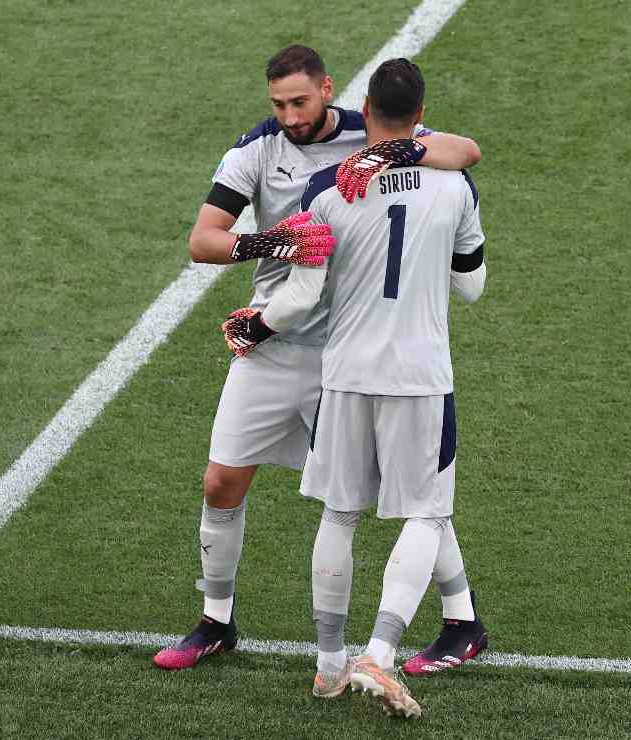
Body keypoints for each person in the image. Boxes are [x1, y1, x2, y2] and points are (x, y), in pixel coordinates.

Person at [154, 45, 481, 670]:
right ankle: (215, 621)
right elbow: (202, 240)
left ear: (329, 91)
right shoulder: (257, 149)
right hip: (275, 346)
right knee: (221, 480)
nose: (289, 114)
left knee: (412, 493)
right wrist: (275, 239)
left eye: (300, 101)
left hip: (348, 356)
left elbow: (462, 152)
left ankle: (460, 616)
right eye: (277, 103)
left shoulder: (371, 128)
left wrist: (400, 149)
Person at [234, 57, 488, 717]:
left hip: (343, 374)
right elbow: (472, 284)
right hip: (419, 377)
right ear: (421, 113)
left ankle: (326, 666)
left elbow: (299, 298)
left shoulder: (324, 190)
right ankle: (379, 650)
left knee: (340, 515)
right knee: (427, 513)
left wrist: (255, 326)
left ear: (365, 110)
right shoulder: (456, 186)